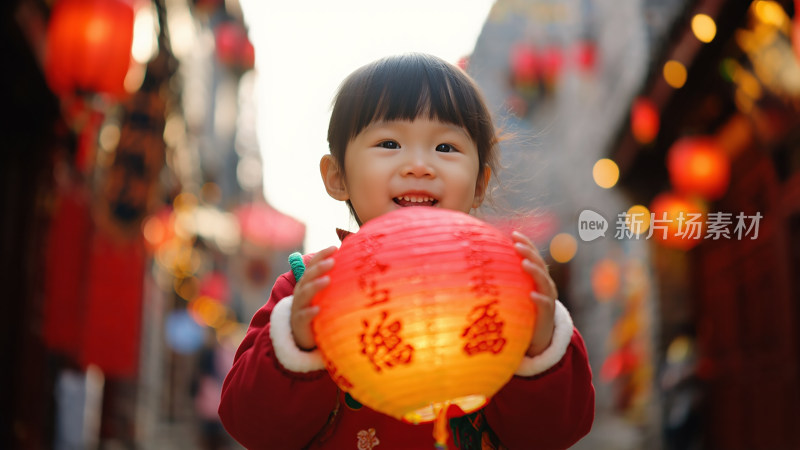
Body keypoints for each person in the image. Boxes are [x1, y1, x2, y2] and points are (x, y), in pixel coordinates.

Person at [219, 53, 594, 449]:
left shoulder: (504, 292)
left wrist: (539, 345)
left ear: (480, 183)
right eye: (389, 143)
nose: (419, 165)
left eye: (446, 147)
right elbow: (251, 425)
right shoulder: (309, 288)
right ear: (337, 176)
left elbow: (557, 431)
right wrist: (298, 342)